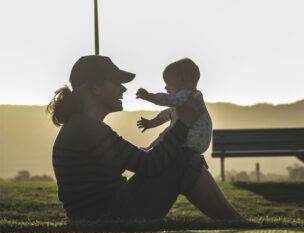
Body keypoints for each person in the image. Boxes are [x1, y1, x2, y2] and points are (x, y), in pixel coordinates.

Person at [47, 55, 242, 221]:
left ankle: (236, 222)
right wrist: (184, 123)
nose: (123, 89)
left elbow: (139, 160)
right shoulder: (87, 129)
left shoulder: (81, 126)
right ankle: (237, 223)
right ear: (96, 88)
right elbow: (149, 165)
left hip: (103, 213)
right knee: (185, 158)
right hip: (109, 216)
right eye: (116, 82)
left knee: (183, 157)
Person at [135, 58, 212, 155]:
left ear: (182, 81)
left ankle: (151, 150)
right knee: (168, 133)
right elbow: (168, 113)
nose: (166, 87)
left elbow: (168, 100)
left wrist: (149, 96)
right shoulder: (190, 98)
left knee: (167, 135)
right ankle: (151, 150)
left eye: (168, 82)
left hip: (190, 138)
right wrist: (151, 123)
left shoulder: (187, 94)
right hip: (200, 142)